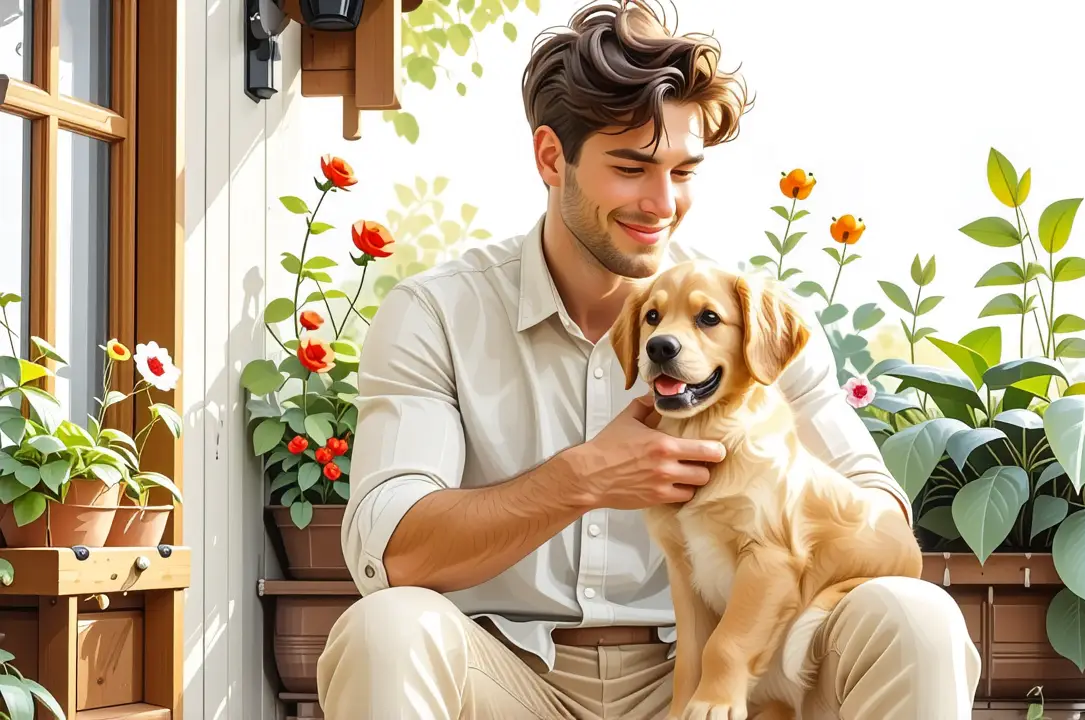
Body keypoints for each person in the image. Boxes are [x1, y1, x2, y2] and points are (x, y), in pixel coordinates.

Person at [316, 1, 981, 717]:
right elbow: (396, 555)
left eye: (683, 170)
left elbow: (887, 533)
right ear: (550, 157)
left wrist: (775, 487)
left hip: (713, 680)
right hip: (508, 678)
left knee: (918, 616)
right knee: (383, 630)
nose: (662, 202)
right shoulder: (436, 316)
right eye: (632, 167)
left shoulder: (748, 321)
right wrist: (583, 478)